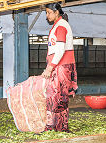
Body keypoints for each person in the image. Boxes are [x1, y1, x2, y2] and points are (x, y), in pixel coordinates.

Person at [41, 2, 78, 132]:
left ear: (57, 12)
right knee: (53, 96)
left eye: (49, 12)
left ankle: (60, 127)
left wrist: (50, 68)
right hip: (58, 65)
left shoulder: (61, 26)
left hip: (62, 66)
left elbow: (60, 49)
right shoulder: (57, 26)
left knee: (59, 97)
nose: (47, 15)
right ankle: (55, 126)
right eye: (46, 13)